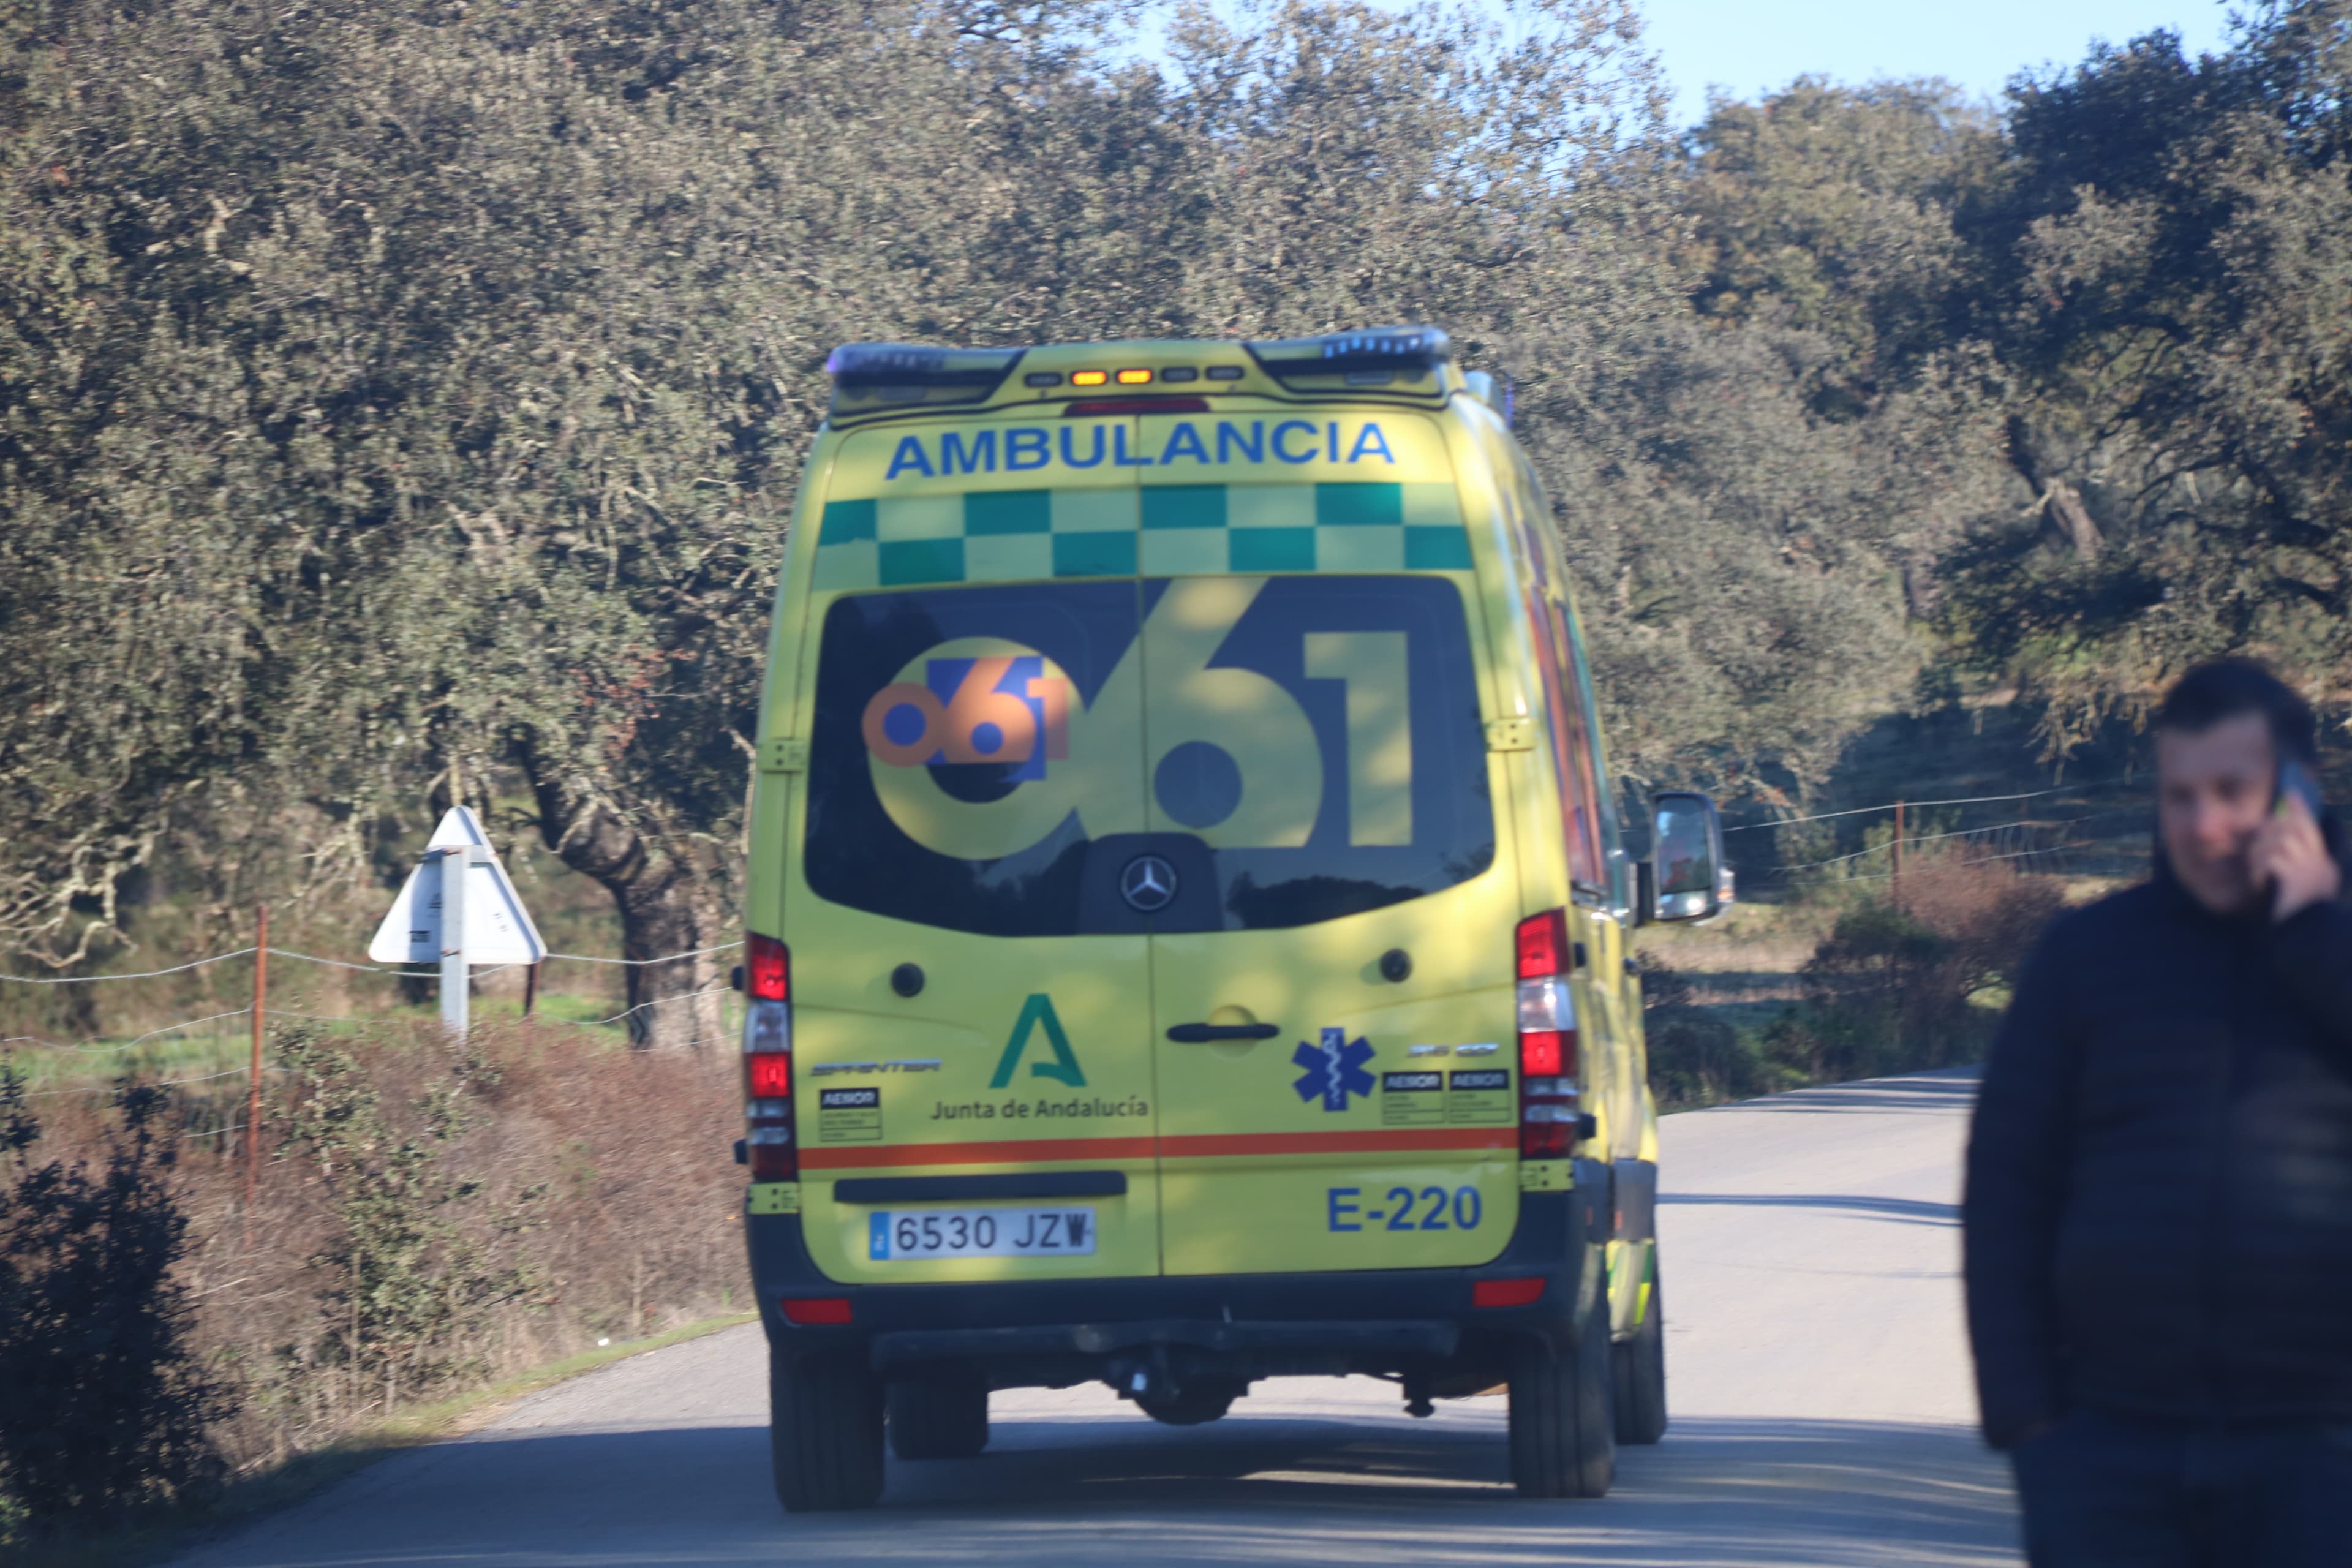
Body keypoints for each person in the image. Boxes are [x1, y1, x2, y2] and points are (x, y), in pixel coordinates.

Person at [1964, 658, 2352, 1567]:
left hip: (2324, 1454)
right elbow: (2007, 1190)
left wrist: (2313, 935)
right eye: (2180, 796)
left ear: (2298, 792)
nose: (2204, 825)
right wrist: (2030, 1426)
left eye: (2231, 791)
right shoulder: (2087, 957)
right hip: (2111, 1455)